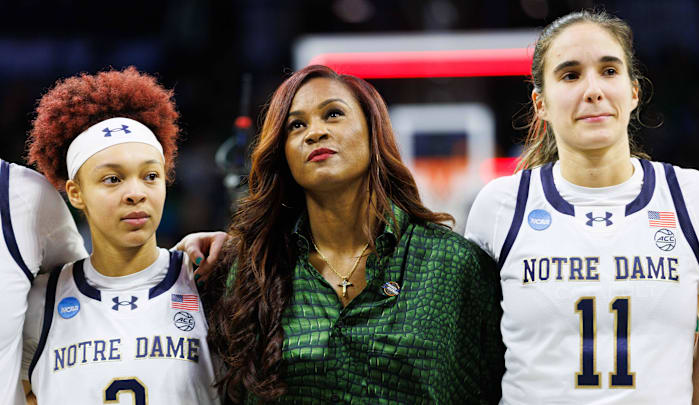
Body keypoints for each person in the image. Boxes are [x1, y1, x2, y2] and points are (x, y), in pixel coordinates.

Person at [203, 64, 505, 404]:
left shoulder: (453, 264)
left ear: (373, 131)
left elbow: (494, 388)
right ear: (282, 153)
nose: (314, 132)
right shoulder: (252, 270)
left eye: (333, 114)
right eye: (296, 125)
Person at [465, 10, 699, 404]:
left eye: (609, 71)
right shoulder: (499, 207)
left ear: (634, 91)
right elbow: (474, 357)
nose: (593, 90)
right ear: (541, 103)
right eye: (570, 75)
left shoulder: (696, 198)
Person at [21, 67, 221, 404]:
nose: (135, 193)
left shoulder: (210, 279)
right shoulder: (38, 304)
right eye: (112, 179)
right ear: (75, 192)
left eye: (150, 176)